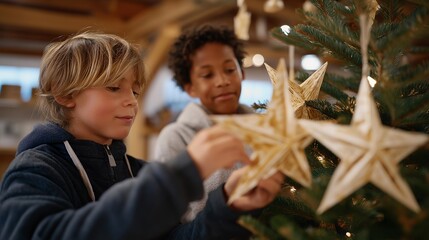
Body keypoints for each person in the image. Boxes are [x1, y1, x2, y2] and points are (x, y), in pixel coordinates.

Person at [0, 31, 284, 240]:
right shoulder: (36, 170)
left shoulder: (136, 170)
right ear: (65, 94)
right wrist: (184, 173)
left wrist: (229, 204)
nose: (132, 101)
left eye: (135, 91)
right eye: (114, 87)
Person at [154, 24, 254, 222]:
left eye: (229, 69)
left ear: (242, 73)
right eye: (208, 75)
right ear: (190, 87)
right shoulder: (175, 137)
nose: (222, 81)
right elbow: (174, 216)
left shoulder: (266, 128)